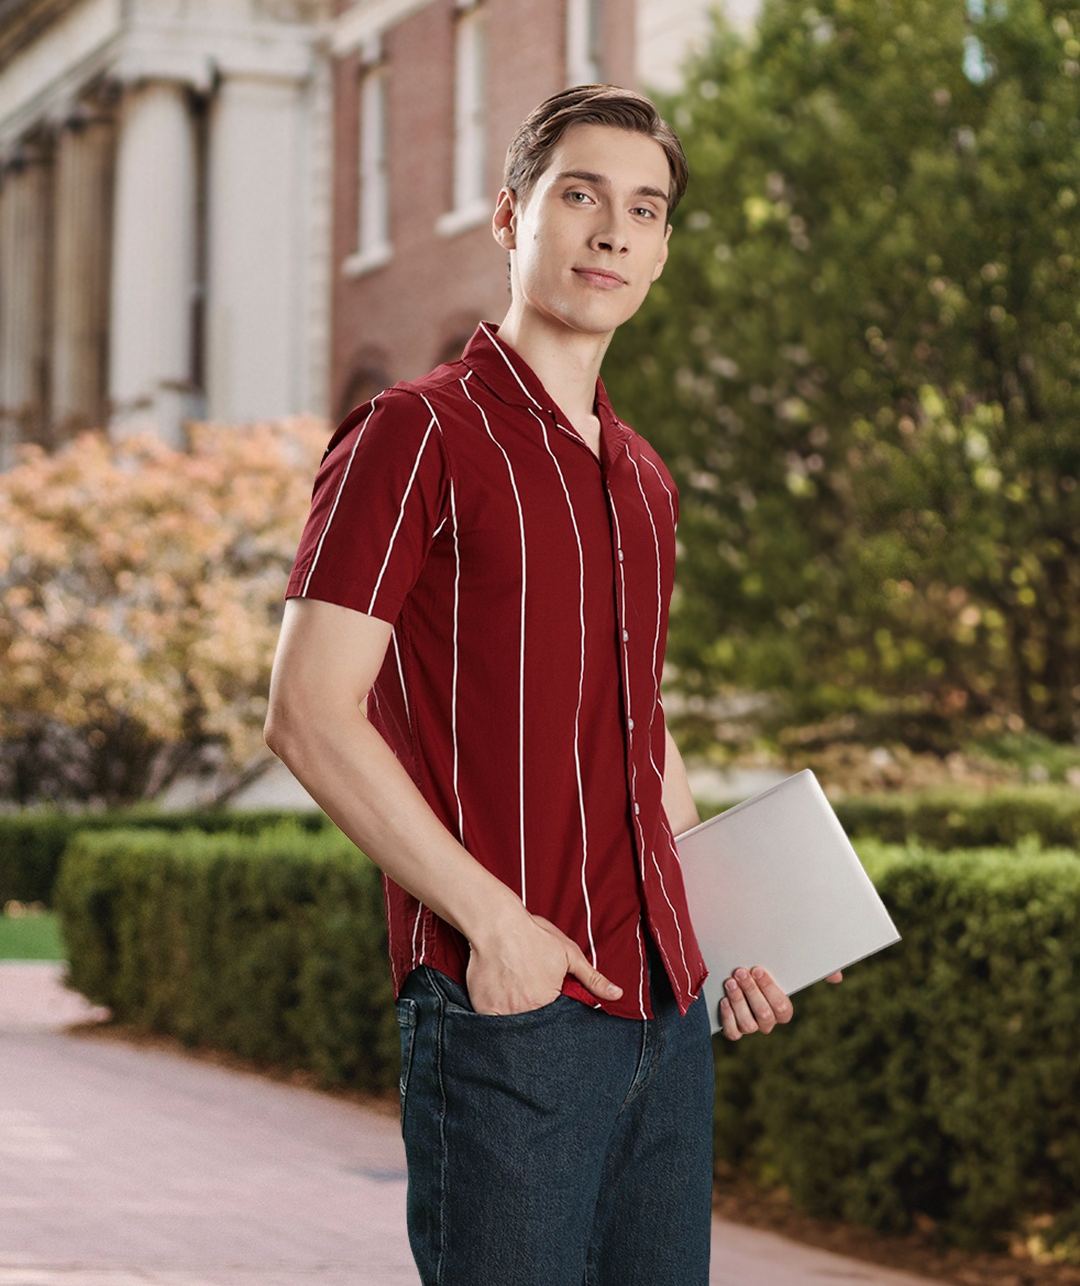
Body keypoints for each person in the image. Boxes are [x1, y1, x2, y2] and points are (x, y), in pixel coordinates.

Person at [265, 84, 830, 1286]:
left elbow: (643, 737)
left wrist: (724, 934)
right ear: (511, 215)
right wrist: (494, 926)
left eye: (645, 208)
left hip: (667, 1020)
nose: (612, 232)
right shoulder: (412, 434)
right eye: (581, 195)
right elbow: (308, 715)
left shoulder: (645, 479)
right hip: (513, 1013)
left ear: (666, 246)